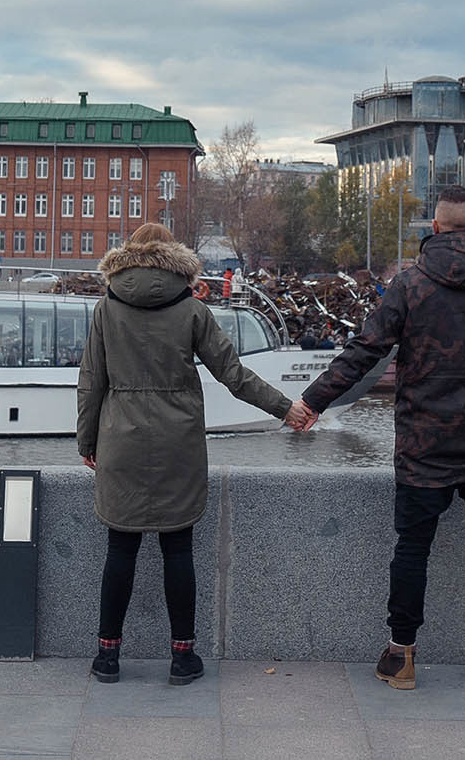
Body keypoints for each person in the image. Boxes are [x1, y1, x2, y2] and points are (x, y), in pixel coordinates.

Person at [296, 187, 465, 693]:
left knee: (412, 550)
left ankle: (401, 657)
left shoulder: (409, 287)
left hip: (422, 447)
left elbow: (366, 351)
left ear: (434, 229)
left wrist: (313, 401)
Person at [77, 222, 312, 687]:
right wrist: (287, 409)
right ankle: (182, 658)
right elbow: (234, 374)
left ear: (130, 256)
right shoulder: (192, 309)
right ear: (173, 256)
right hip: (177, 440)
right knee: (177, 548)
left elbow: (91, 382)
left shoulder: (106, 308)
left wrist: (88, 442)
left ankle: (107, 656)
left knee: (120, 546)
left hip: (119, 437)